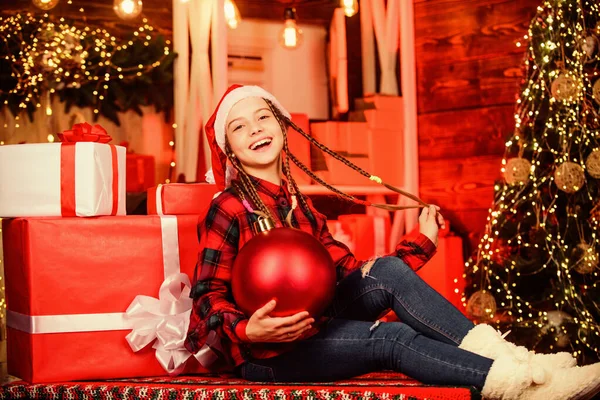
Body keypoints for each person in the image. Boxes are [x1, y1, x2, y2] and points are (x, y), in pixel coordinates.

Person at [184, 85, 600, 400]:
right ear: (229, 150)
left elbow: (350, 274)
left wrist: (420, 241)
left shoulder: (300, 206)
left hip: (316, 322)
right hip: (267, 356)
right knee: (391, 339)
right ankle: (518, 386)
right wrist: (247, 328)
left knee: (385, 271)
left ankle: (519, 363)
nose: (256, 129)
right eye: (240, 126)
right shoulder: (229, 207)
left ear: (282, 126)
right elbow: (205, 297)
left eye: (263, 117)